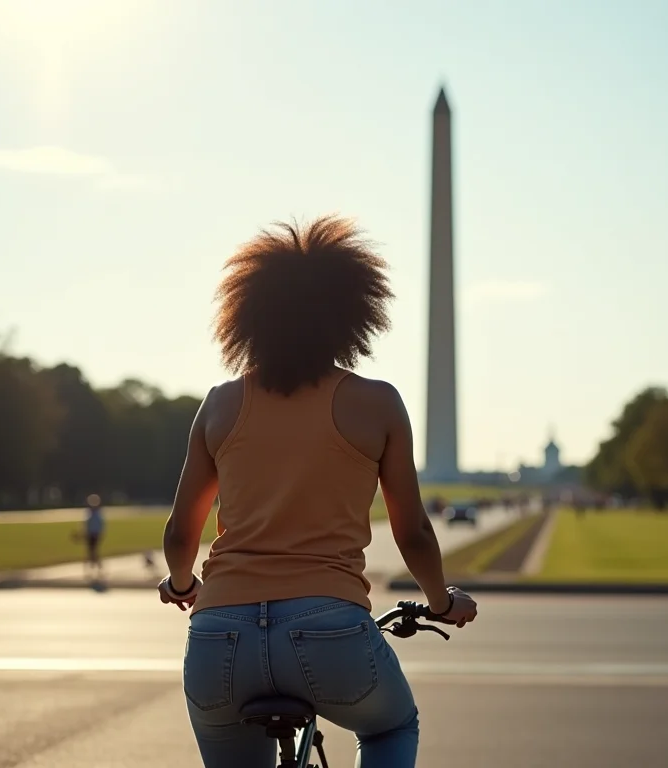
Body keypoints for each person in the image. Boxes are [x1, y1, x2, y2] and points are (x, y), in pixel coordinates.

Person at [157, 216, 478, 768]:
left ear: (248, 316)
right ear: (352, 314)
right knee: (392, 726)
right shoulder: (377, 403)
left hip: (218, 635)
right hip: (330, 628)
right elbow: (414, 534)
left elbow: (180, 533)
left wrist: (182, 582)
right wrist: (442, 602)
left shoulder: (219, 404)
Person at [84, 494, 105, 575]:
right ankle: (94, 566)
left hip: (95, 534)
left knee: (93, 551)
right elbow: (87, 524)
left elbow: (100, 524)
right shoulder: (89, 512)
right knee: (91, 551)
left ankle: (97, 566)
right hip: (90, 534)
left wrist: (100, 533)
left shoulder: (97, 513)